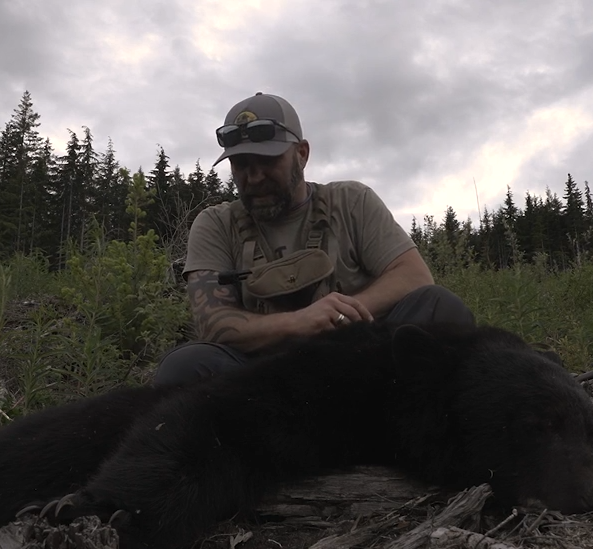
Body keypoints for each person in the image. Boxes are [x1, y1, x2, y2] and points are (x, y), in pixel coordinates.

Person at [153, 92, 475, 386]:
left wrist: (341, 316)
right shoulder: (215, 223)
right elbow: (213, 323)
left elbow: (414, 276)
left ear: (302, 154)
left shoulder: (352, 201)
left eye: (268, 161)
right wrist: (301, 322)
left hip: (363, 360)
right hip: (264, 379)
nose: (254, 177)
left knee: (440, 308)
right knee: (184, 366)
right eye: (241, 165)